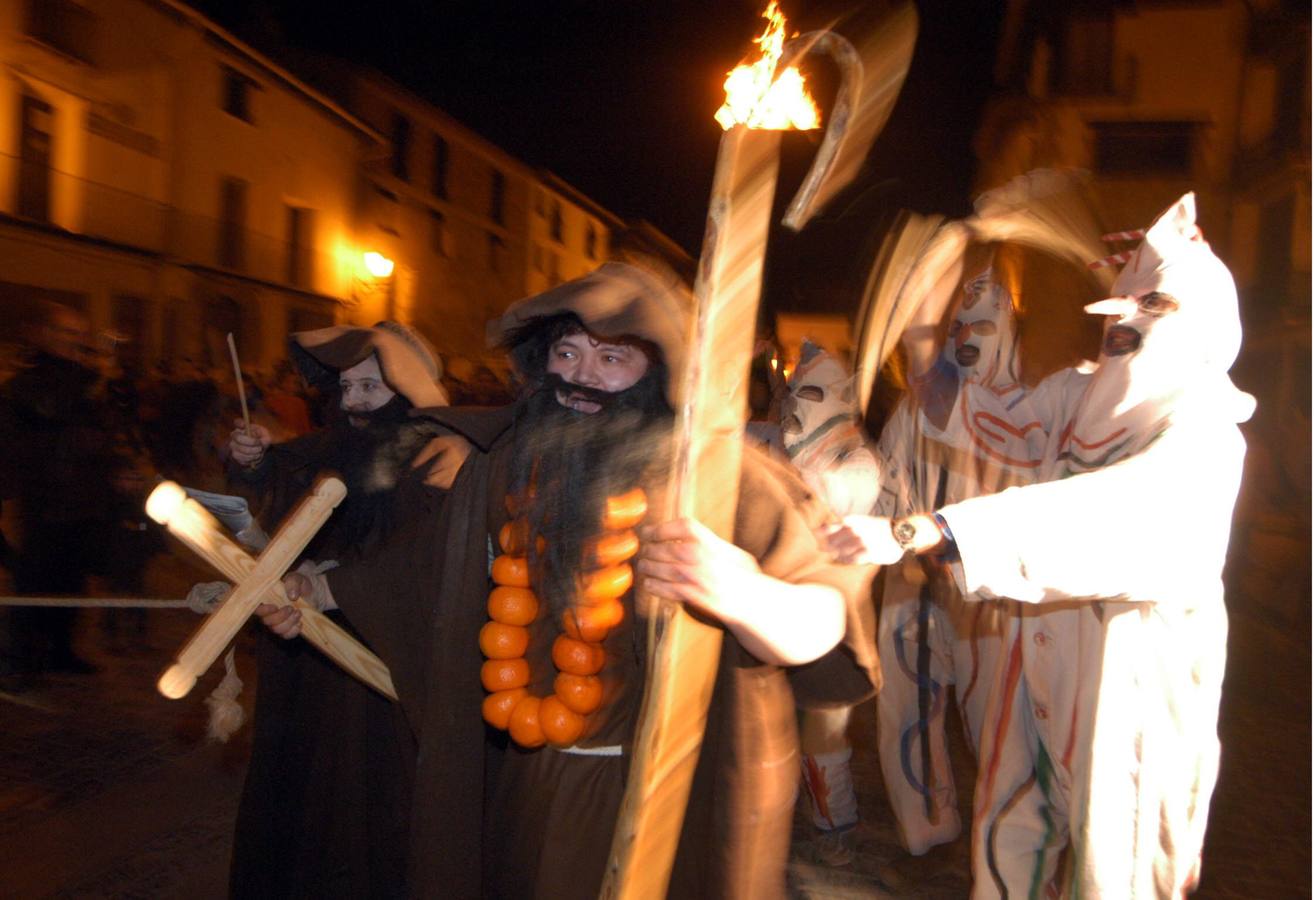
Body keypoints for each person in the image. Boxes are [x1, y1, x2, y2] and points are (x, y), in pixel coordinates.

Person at [261, 259, 880, 899]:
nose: (582, 376)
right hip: (524, 791)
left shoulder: (730, 483)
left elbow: (828, 628)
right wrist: (318, 593)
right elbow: (424, 572)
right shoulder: (510, 468)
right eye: (567, 352)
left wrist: (748, 594)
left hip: (663, 809)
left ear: (659, 373)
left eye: (612, 358)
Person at [828, 193, 1251, 897]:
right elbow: (974, 415)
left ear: (1201, 323)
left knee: (1112, 875)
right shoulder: (1079, 396)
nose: (1124, 323)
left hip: (1129, 711)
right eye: (1123, 307)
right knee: (1007, 843)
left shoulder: (1205, 437)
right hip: (1034, 676)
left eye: (1152, 308)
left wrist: (926, 529)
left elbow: (1093, 514)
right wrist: (925, 329)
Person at [222, 320, 453, 899]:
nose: (354, 403)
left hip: (382, 657)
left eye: (371, 388)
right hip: (305, 650)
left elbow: (422, 561)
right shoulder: (334, 444)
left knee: (369, 796)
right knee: (302, 790)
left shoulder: (439, 458)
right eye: (346, 388)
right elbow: (286, 471)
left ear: (405, 390)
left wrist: (333, 585)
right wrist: (252, 460)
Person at [870, 253, 1054, 861]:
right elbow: (889, 480)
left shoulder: (1029, 410)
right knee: (908, 710)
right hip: (914, 586)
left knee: (997, 722)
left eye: (983, 323)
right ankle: (929, 822)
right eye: (959, 325)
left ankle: (1009, 849)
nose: (968, 336)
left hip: (992, 597)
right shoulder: (912, 411)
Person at [777, 341, 880, 866]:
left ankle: (835, 825)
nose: (799, 404)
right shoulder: (785, 447)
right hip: (781, 608)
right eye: (795, 391)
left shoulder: (857, 464)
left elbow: (822, 524)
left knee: (825, 732)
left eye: (812, 393)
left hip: (837, 617)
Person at [0, 302, 114, 684]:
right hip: (44, 500)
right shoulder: (28, 382)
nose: (75, 341)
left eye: (79, 334)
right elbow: (47, 413)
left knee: (73, 580)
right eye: (67, 333)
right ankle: (24, 658)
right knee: (35, 582)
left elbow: (99, 431)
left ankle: (62, 650)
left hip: (82, 499)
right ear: (47, 334)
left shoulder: (84, 381)